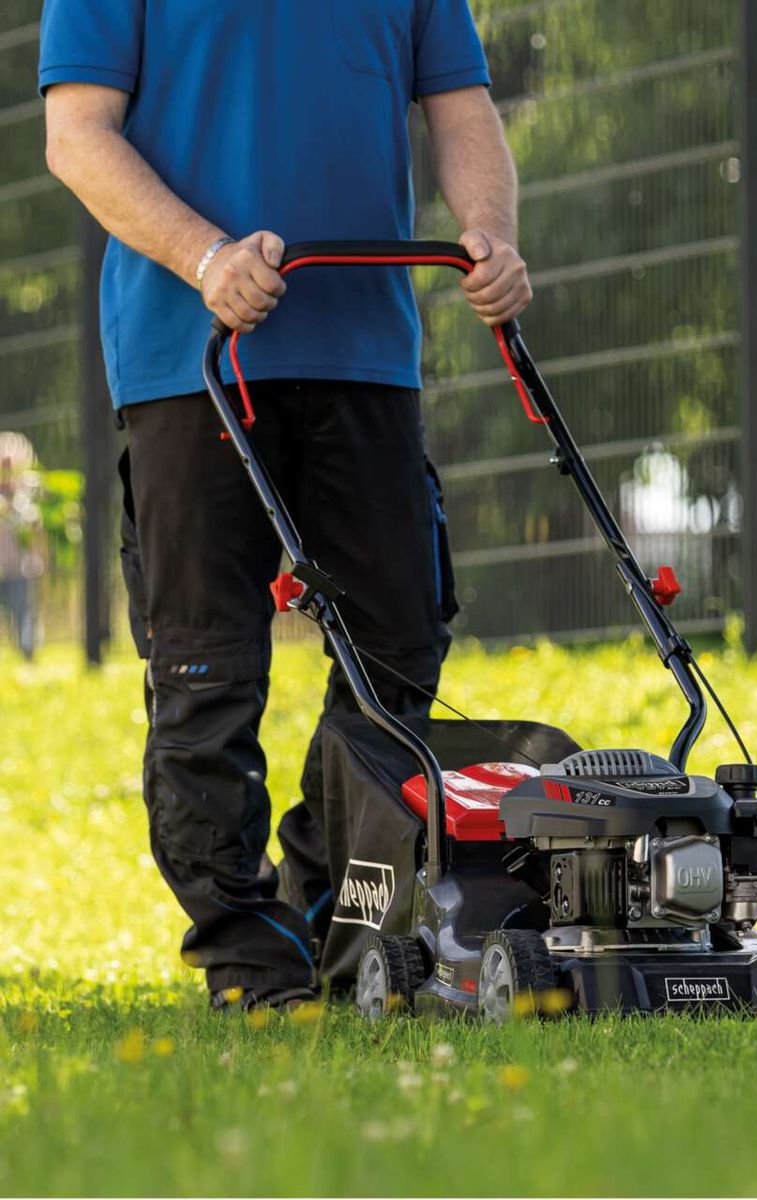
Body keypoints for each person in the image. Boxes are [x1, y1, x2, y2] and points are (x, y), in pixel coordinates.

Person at [40, 0, 531, 1009]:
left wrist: (488, 233)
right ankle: (250, 957)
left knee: (397, 649)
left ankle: (330, 906)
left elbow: (463, 109)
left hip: (366, 349)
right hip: (191, 360)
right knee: (206, 667)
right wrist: (206, 258)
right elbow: (77, 137)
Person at [0, 431, 43, 662]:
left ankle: (28, 655)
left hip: (22, 568)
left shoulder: (27, 496)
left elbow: (37, 529)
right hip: (2, 567)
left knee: (23, 613)